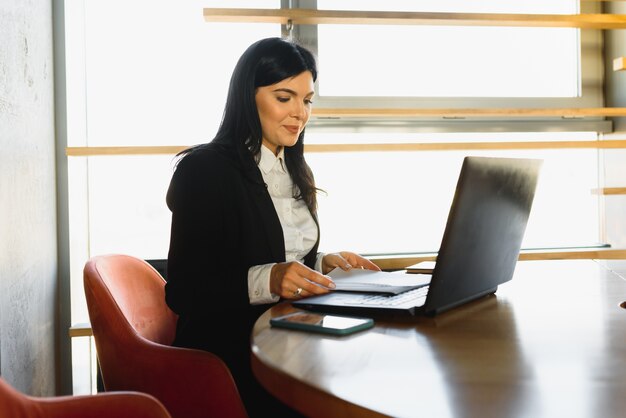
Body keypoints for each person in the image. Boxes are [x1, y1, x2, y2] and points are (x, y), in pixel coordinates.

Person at [165, 37, 380, 416]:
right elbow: (184, 292)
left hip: (292, 336)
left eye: (307, 100)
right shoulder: (205, 170)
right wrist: (271, 279)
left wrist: (319, 266)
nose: (300, 113)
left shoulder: (295, 169)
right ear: (248, 97)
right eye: (285, 98)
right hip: (234, 353)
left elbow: (276, 254)